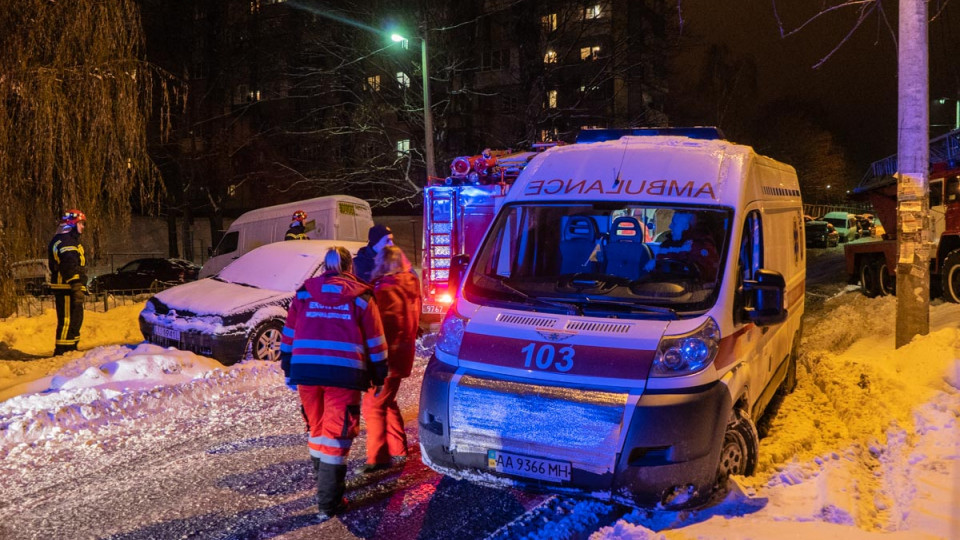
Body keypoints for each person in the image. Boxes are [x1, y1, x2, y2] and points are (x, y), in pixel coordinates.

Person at [279, 246, 388, 522]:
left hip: (306, 372)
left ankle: (325, 487)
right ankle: (329, 503)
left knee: (317, 429)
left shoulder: (304, 293)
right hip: (343, 374)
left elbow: (288, 334)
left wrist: (288, 368)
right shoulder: (361, 297)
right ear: (350, 266)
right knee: (336, 435)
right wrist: (379, 373)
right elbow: (375, 341)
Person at [362, 246, 422, 473]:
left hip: (385, 357)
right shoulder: (408, 285)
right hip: (401, 355)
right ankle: (397, 450)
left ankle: (378, 457)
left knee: (373, 405)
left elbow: (379, 326)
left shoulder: (385, 290)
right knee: (387, 401)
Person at [48, 209, 88, 356]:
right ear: (72, 224)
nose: (83, 227)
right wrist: (75, 283)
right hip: (66, 286)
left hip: (70, 286)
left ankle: (71, 347)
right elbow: (68, 264)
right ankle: (63, 350)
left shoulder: (69, 240)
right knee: (67, 319)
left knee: (76, 318)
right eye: (81, 223)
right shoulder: (65, 241)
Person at [655, 211, 720, 283]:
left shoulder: (702, 247)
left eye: (674, 223)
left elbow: (705, 280)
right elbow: (657, 270)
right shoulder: (668, 244)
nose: (670, 226)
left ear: (686, 226)